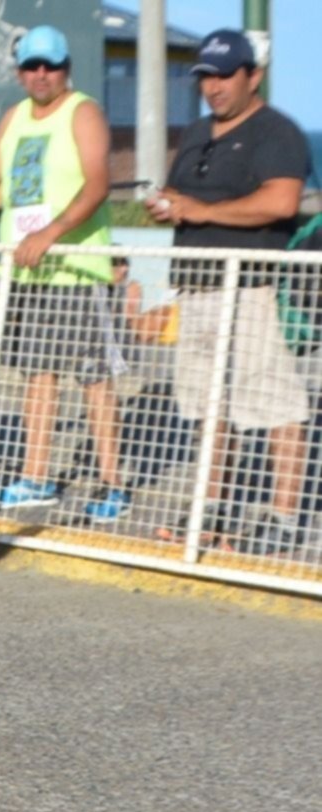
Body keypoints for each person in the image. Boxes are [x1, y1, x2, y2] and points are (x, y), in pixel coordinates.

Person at [0, 24, 129, 523]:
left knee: (94, 379)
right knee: (37, 375)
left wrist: (53, 233)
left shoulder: (84, 112)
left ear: (66, 69)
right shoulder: (15, 117)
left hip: (76, 270)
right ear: (19, 72)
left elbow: (99, 183)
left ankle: (113, 483)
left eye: (51, 65)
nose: (41, 74)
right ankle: (35, 477)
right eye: (32, 66)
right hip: (26, 272)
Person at [146, 29, 313, 556]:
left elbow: (283, 201)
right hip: (196, 288)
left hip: (252, 288)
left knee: (276, 405)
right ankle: (211, 507)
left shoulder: (278, 132)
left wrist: (203, 212)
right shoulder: (196, 131)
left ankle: (284, 518)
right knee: (207, 409)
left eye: (224, 75)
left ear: (252, 75)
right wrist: (169, 203)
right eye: (205, 77)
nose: (213, 87)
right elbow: (184, 195)